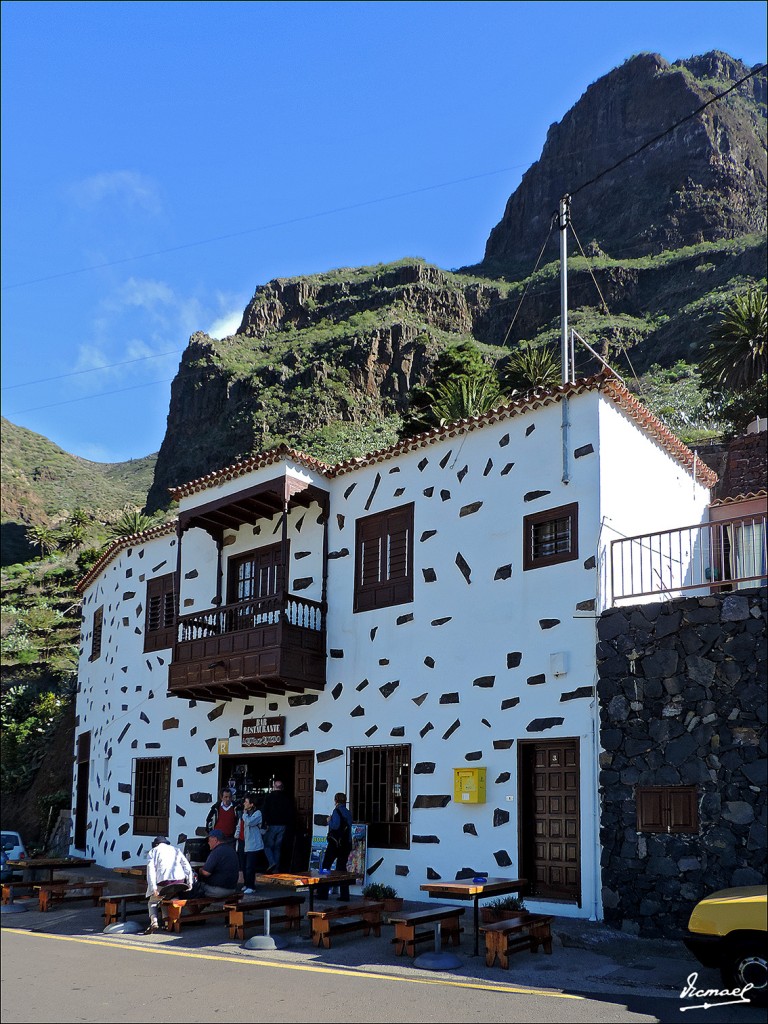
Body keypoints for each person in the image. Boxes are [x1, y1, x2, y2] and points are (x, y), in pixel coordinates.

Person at [144, 836, 194, 934]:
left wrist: (153, 888)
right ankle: (167, 923)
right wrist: (190, 882)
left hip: (164, 882)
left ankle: (154, 921)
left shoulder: (153, 851)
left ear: (156, 844)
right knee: (168, 897)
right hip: (179, 881)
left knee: (153, 901)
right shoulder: (176, 850)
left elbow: (151, 871)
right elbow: (187, 866)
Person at [316, 792, 353, 902]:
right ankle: (345, 895)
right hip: (346, 844)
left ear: (336, 800)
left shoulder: (336, 811)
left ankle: (323, 893)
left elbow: (335, 826)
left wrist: (329, 821)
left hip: (335, 844)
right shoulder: (348, 812)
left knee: (326, 866)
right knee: (342, 869)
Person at [192, 829, 240, 898]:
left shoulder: (216, 851)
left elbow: (206, 873)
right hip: (232, 889)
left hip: (218, 890)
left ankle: (187, 904)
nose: (208, 842)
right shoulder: (231, 850)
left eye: (209, 840)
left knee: (192, 888)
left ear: (215, 839)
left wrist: (199, 870)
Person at [261, 780, 295, 871]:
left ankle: (272, 862)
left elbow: (264, 810)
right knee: (277, 848)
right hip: (283, 825)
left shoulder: (269, 797)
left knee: (267, 846)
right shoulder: (286, 798)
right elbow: (290, 812)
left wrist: (263, 823)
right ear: (282, 787)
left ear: (274, 787)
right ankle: (276, 870)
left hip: (271, 825)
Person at [240, 793, 269, 893]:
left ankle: (251, 886)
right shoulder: (245, 814)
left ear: (252, 804)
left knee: (250, 866)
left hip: (254, 844)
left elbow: (250, 822)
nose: (244, 803)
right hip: (245, 842)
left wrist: (244, 814)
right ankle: (246, 884)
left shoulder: (257, 813)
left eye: (246, 802)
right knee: (244, 865)